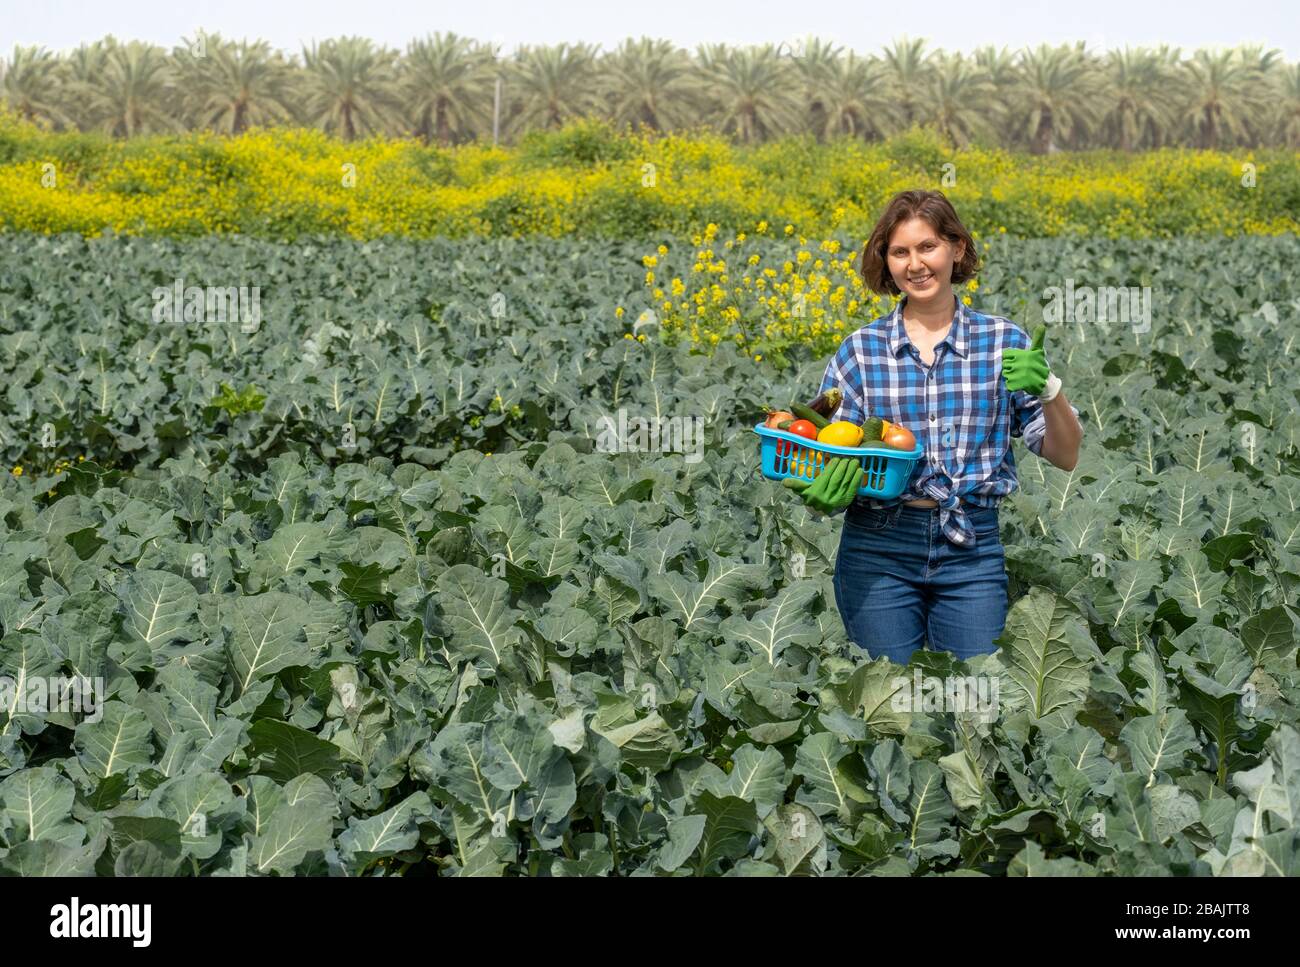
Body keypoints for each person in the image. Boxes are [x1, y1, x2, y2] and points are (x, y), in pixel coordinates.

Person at [787, 189, 1083, 663]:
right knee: (888, 706)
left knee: (975, 707)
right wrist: (817, 490)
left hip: (972, 547)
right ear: (886, 262)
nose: (915, 264)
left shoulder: (1003, 342)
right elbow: (826, 452)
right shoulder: (860, 351)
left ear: (956, 248)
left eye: (927, 247)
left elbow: (1065, 455)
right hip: (877, 548)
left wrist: (1050, 389)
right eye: (900, 252)